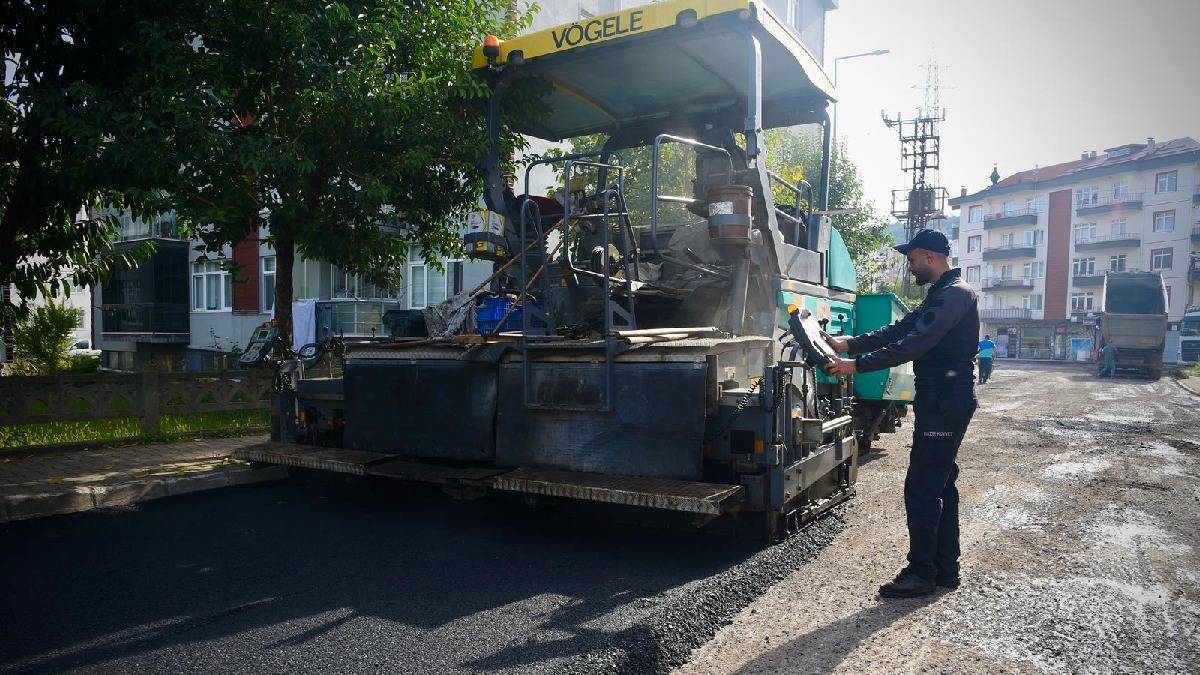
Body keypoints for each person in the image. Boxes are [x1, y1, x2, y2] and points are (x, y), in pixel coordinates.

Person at [822, 229, 980, 598]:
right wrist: (849, 343)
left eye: (911, 260)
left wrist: (855, 367)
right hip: (940, 398)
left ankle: (921, 572)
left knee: (923, 487)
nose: (910, 267)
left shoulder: (955, 295)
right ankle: (945, 570)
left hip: (946, 399)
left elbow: (915, 343)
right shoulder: (941, 295)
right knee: (942, 483)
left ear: (928, 256)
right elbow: (903, 328)